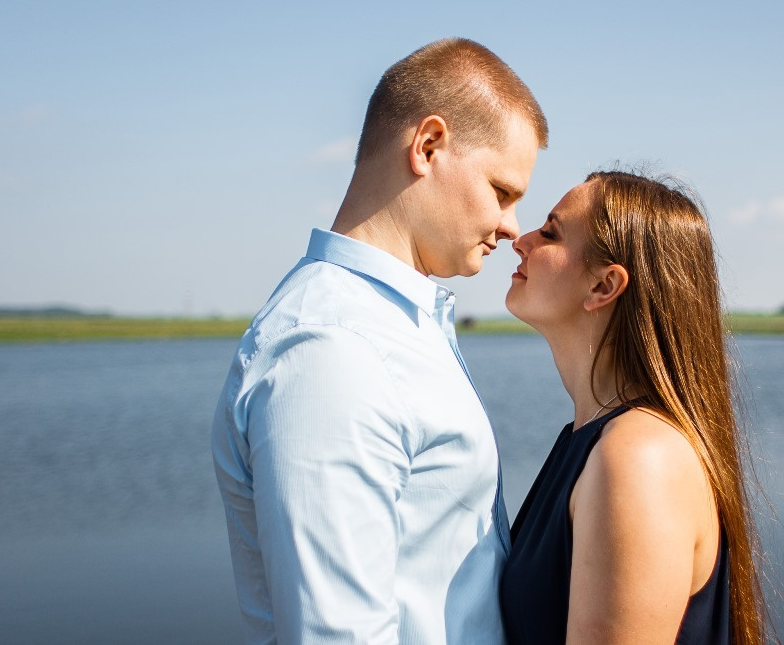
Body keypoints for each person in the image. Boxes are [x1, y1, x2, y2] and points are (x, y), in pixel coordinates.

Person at [212, 38, 548, 644]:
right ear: (427, 147)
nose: (511, 226)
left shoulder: (385, 327)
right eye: (502, 191)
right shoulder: (333, 351)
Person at [500, 171, 766, 644]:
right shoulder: (594, 440)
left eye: (550, 232)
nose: (520, 241)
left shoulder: (637, 457)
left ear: (604, 286)